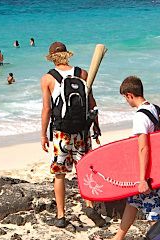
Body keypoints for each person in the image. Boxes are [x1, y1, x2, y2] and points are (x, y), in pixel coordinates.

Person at [92, 76, 160, 240]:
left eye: (125, 98)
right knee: (132, 203)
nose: (126, 101)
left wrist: (143, 179)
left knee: (153, 211)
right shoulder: (154, 108)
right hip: (157, 168)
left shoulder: (140, 116)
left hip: (149, 173)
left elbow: (144, 147)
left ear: (129, 95)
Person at [40, 41, 105, 228]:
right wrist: (96, 128)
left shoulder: (48, 78)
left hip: (61, 133)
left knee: (59, 174)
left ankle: (61, 216)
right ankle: (89, 206)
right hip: (82, 130)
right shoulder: (82, 73)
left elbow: (47, 109)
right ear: (68, 55)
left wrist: (43, 135)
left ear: (52, 58)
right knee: (83, 170)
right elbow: (92, 104)